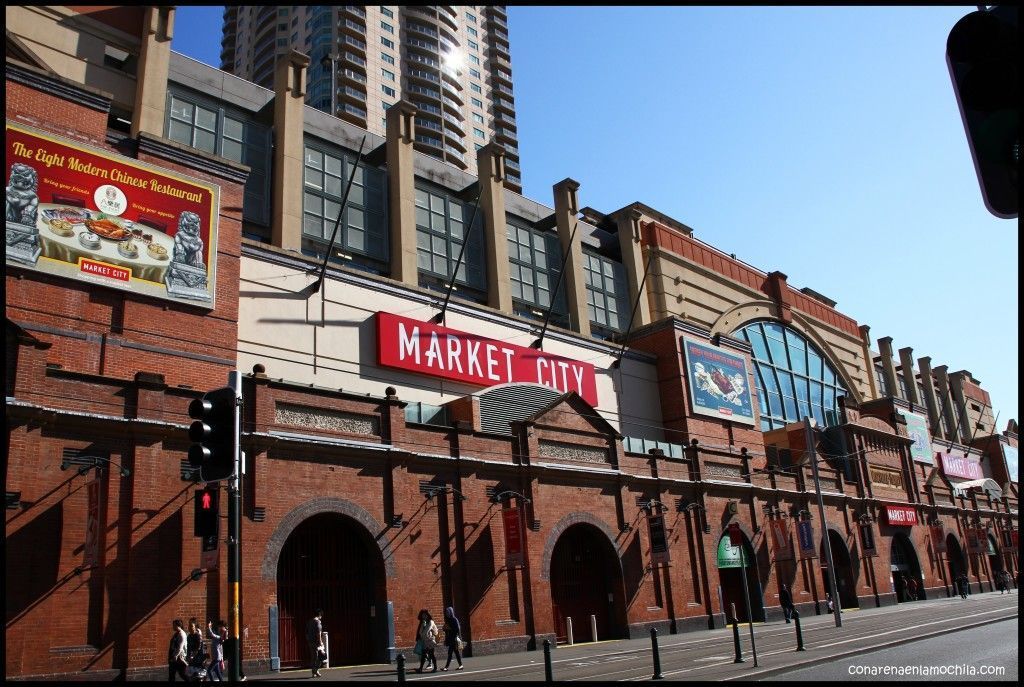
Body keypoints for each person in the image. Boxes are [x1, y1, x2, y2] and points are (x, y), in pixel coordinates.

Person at [441, 606, 464, 671]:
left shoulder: (454, 619)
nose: (446, 613)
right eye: (446, 612)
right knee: (455, 653)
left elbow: (457, 629)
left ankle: (446, 667)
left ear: (451, 612)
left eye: (448, 612)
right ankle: (460, 665)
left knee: (450, 653)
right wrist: (445, 629)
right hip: (450, 638)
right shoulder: (448, 620)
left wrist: (449, 628)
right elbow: (445, 628)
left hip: (454, 638)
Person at [416, 609, 439, 674]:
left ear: (428, 615)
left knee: (431, 654)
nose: (424, 616)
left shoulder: (431, 622)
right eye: (422, 615)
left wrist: (423, 631)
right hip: (425, 641)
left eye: (425, 615)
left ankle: (435, 668)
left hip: (431, 641)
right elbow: (420, 632)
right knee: (423, 655)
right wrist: (423, 625)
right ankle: (420, 669)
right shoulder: (424, 622)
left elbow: (425, 632)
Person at [307, 609, 324, 679]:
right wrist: (321, 643)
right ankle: (315, 670)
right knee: (321, 657)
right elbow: (319, 634)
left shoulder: (309, 622)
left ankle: (314, 672)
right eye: (321, 615)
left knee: (314, 657)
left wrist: (309, 640)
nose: (321, 617)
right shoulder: (318, 622)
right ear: (319, 615)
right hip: (317, 643)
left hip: (311, 642)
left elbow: (306, 632)